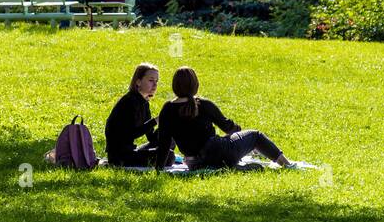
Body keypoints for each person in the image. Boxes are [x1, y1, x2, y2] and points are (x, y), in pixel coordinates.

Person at [154, 66, 295, 171]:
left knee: (223, 149)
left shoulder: (167, 108)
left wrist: (159, 169)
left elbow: (164, 143)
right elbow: (228, 127)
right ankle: (288, 165)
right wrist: (238, 132)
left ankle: (231, 166)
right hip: (219, 151)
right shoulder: (203, 104)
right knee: (255, 136)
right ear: (195, 84)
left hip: (194, 163)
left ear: (175, 86)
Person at [104, 63, 163, 166]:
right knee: (168, 156)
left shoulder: (144, 103)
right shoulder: (129, 102)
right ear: (138, 82)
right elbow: (130, 134)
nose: (155, 85)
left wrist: (167, 126)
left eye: (156, 81)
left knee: (169, 144)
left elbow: (151, 137)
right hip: (120, 156)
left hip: (131, 150)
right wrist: (155, 121)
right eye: (151, 80)